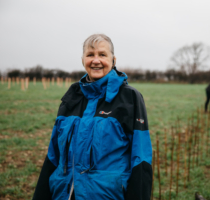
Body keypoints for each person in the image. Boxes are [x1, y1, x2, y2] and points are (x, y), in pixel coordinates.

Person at [33, 34, 153, 200]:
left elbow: (141, 157)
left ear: (113, 60)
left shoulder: (130, 98)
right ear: (83, 60)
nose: (96, 60)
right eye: (90, 55)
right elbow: (53, 156)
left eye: (102, 55)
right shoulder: (72, 97)